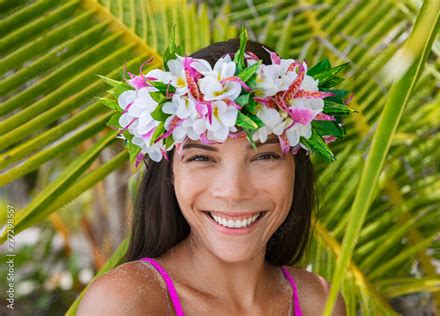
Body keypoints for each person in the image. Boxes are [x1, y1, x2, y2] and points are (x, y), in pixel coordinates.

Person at [77, 38, 347, 315]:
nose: (233, 191)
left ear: (295, 169)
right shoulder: (125, 302)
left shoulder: (318, 301)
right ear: (170, 174)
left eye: (265, 156)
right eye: (202, 158)